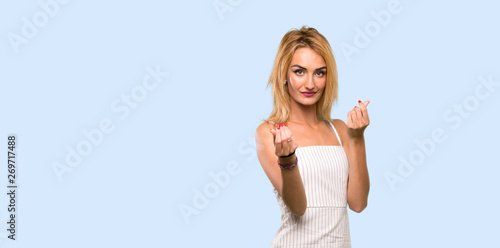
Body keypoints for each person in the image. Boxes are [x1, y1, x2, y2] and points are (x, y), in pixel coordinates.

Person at [255, 26, 370, 247]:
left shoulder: (339, 130)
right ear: (284, 75)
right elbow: (298, 207)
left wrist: (357, 138)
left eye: (319, 72)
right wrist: (288, 160)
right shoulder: (270, 132)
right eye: (299, 71)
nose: (310, 84)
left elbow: (358, 203)